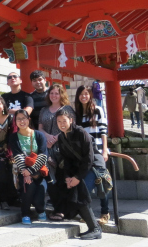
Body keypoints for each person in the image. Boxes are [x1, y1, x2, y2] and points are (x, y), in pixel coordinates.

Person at [55, 108, 102, 240]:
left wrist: (77, 178)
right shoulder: (60, 137)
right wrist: (68, 178)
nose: (61, 124)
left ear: (71, 120)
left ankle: (95, 228)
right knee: (72, 189)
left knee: (80, 191)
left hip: (92, 167)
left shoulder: (81, 132)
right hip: (77, 170)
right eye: (58, 121)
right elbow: (66, 160)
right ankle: (93, 227)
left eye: (64, 120)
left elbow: (89, 158)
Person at [38, 83, 75, 220]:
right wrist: (47, 137)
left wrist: (56, 138)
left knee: (63, 178)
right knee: (50, 178)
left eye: (57, 93)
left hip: (63, 147)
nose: (54, 95)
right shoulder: (44, 110)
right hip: (47, 147)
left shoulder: (68, 109)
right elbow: (40, 128)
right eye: (51, 93)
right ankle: (57, 208)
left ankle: (66, 209)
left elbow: (71, 128)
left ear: (61, 95)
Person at [75, 86, 110, 226]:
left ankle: (104, 212)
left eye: (86, 94)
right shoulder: (76, 113)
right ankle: (87, 212)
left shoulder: (97, 110)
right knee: (86, 183)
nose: (84, 97)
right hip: (83, 152)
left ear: (90, 95)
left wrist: (105, 150)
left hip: (97, 150)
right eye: (81, 94)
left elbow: (103, 130)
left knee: (102, 181)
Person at [9, 110, 48, 225]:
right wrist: (25, 172)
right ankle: (25, 213)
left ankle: (41, 210)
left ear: (28, 119)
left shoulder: (39, 135)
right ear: (15, 122)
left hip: (39, 171)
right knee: (28, 188)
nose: (21, 121)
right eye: (18, 119)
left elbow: (43, 155)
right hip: (23, 171)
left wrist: (30, 171)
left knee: (39, 197)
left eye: (23, 118)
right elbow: (18, 156)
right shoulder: (14, 137)